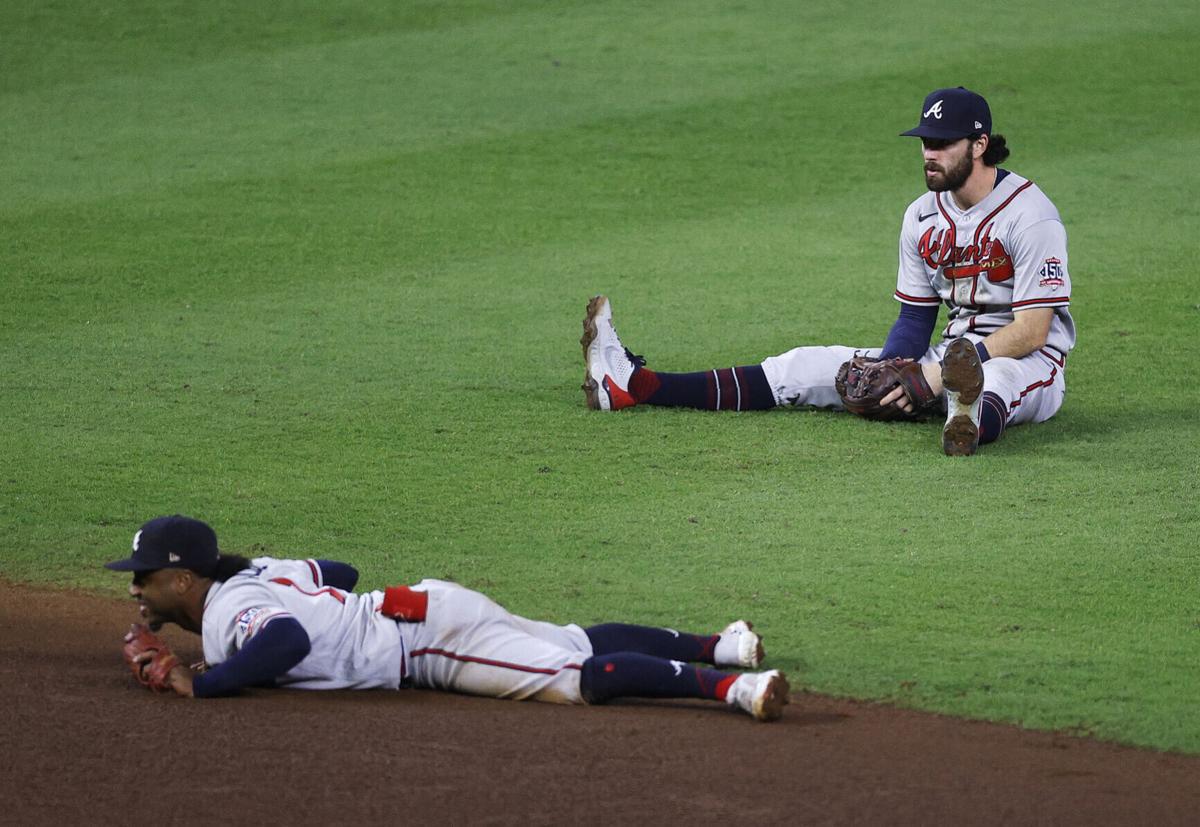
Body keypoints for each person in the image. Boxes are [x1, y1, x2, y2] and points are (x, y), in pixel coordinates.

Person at [581, 87, 1074, 456]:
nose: (929, 152)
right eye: (925, 140)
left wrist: (935, 375)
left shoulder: (1030, 215)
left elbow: (1033, 332)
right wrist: (894, 370)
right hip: (940, 358)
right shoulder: (921, 215)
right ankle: (638, 385)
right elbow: (914, 317)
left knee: (996, 382)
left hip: (1029, 364)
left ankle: (965, 419)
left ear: (980, 144)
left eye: (943, 142)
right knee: (804, 365)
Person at [105, 515, 790, 721]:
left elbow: (281, 639)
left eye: (144, 575)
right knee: (571, 636)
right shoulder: (254, 573)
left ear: (183, 578)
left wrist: (206, 680)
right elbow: (340, 573)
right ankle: (723, 646)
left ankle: (735, 687)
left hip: (431, 644)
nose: (135, 585)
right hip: (423, 603)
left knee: (574, 675)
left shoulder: (229, 609)